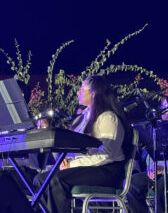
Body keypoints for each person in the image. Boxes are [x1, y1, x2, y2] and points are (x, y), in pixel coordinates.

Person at [33, 75, 132, 213]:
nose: (78, 92)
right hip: (86, 166)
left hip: (107, 169)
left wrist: (72, 164)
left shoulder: (108, 118)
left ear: (94, 93)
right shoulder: (81, 119)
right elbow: (72, 147)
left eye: (82, 88)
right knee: (40, 179)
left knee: (57, 179)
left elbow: (106, 154)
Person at [127, 97, 168, 213]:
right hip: (159, 170)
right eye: (164, 107)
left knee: (161, 185)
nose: (165, 111)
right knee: (132, 184)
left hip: (165, 172)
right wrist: (153, 168)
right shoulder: (157, 129)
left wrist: (164, 169)